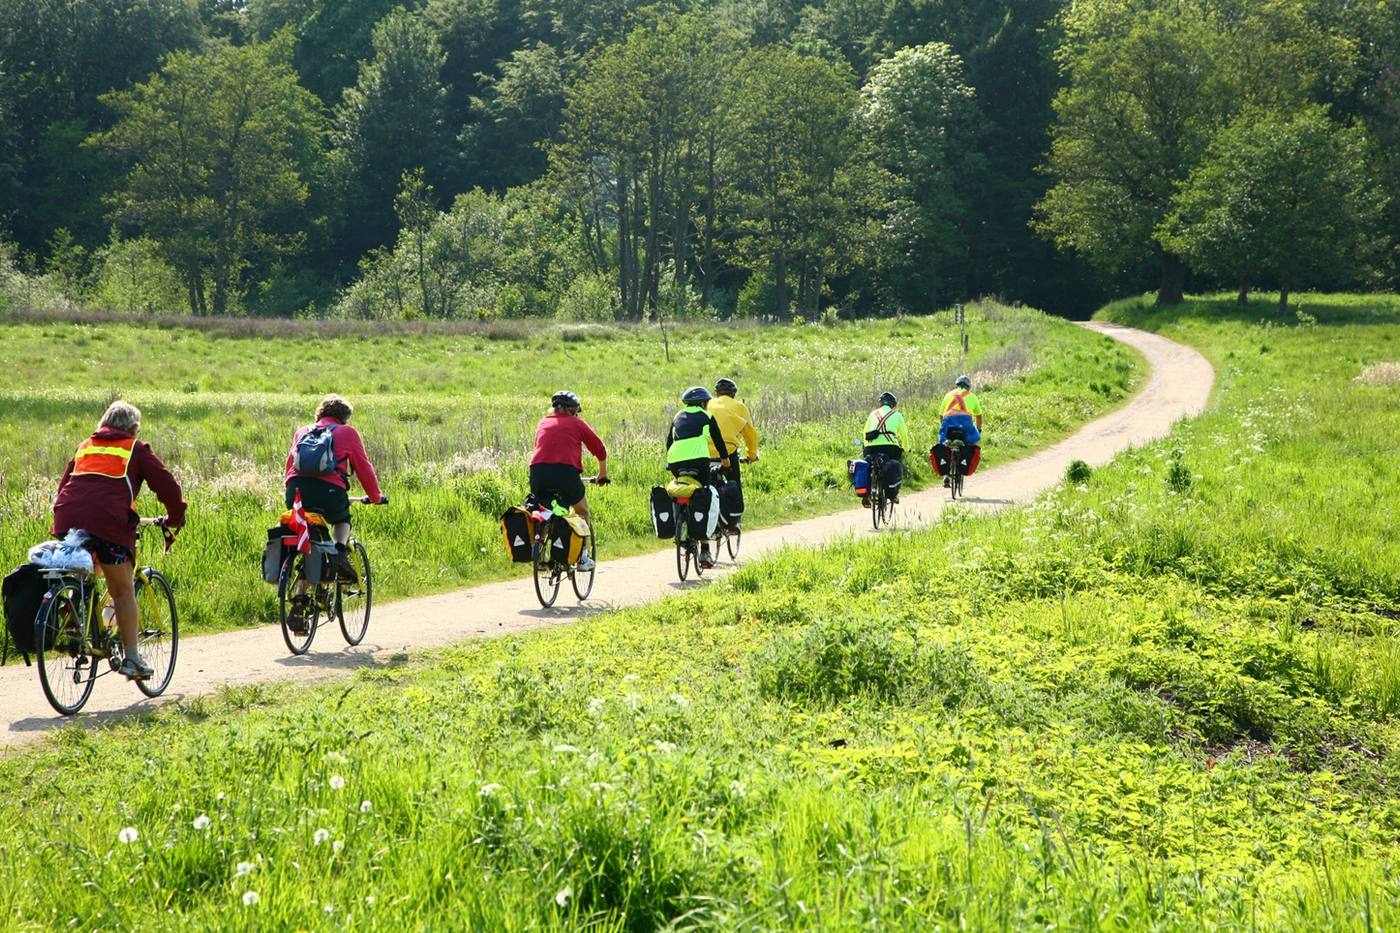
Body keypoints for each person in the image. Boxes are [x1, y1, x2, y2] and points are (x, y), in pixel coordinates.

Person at [52, 401, 186, 680]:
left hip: (69, 518)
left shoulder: (85, 446)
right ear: (133, 429)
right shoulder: (135, 449)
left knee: (86, 572)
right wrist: (175, 517)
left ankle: (74, 620)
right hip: (109, 524)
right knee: (123, 591)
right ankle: (133, 659)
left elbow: (64, 486)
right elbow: (166, 485)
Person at [283, 394, 384, 632]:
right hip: (330, 492)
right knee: (341, 519)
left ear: (320, 414)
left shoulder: (303, 431)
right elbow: (363, 467)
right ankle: (339, 553)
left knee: (311, 543)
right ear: (344, 417)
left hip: (296, 493)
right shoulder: (347, 433)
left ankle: (299, 600)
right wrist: (376, 497)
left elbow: (290, 465)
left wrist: (293, 496)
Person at [529, 390, 609, 571]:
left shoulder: (542, 422)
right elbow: (600, 449)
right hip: (566, 474)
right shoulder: (577, 423)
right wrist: (602, 474)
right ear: (573, 410)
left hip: (538, 472)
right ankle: (582, 558)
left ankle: (540, 552)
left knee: (547, 511)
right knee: (582, 512)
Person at [667, 386, 730, 568]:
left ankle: (679, 518)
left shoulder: (677, 416)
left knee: (680, 486)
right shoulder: (707, 417)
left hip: (675, 461)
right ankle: (704, 549)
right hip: (699, 461)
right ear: (703, 403)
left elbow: (669, 442)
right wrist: (725, 462)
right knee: (704, 493)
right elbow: (718, 441)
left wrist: (672, 461)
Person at [706, 377, 759, 529]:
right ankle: (735, 521)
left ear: (716, 394)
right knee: (734, 481)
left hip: (704, 451)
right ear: (733, 394)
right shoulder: (739, 407)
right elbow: (750, 434)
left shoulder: (708, 404)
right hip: (727, 452)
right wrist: (751, 455)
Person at [861, 391, 909, 505]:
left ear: (881, 404)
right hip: (890, 447)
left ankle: (867, 493)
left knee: (870, 465)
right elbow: (904, 435)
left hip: (871, 447)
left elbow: (865, 433)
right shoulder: (897, 415)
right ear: (893, 405)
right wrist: (906, 448)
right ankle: (894, 493)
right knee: (895, 463)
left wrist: (865, 445)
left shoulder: (873, 414)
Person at [936, 374, 983, 488]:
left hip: (948, 422)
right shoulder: (972, 396)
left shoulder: (948, 395)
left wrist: (944, 427)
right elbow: (979, 416)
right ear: (968, 387)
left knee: (945, 442)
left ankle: (946, 474)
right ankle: (964, 462)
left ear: (956, 385)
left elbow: (941, 415)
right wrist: (979, 430)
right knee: (972, 439)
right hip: (965, 422)